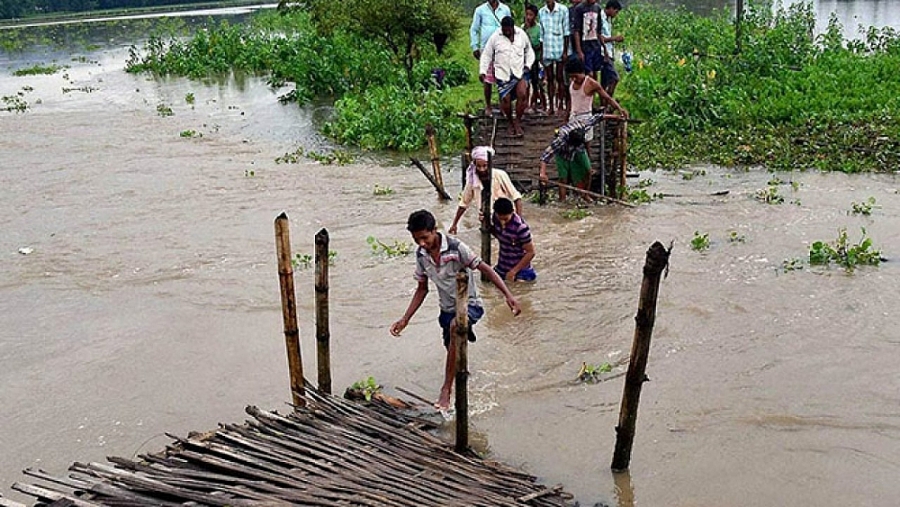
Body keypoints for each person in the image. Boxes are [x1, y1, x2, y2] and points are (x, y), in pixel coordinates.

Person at [390, 210, 521, 411]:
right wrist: (405, 319)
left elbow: (485, 268)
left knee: (455, 329)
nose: (422, 243)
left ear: (434, 230)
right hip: (447, 309)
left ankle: (446, 390)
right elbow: (422, 289)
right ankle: (462, 372)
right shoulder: (421, 255)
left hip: (470, 305)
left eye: (424, 238)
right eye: (417, 240)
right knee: (452, 348)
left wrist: (508, 296)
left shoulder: (456, 248)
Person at [448, 146, 523, 235]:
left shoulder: (500, 175)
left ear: (489, 165)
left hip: (505, 217)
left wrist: (518, 221)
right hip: (486, 220)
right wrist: (454, 224)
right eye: (478, 166)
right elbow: (464, 203)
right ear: (474, 165)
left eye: (484, 166)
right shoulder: (472, 181)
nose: (482, 169)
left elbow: (516, 197)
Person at [480, 16, 535, 137]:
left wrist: (528, 65)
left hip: (519, 72)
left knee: (522, 94)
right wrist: (483, 71)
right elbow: (486, 55)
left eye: (508, 30)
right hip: (502, 74)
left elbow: (529, 51)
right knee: (506, 100)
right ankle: (510, 121)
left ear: (512, 27)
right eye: (504, 30)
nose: (507, 32)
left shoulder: (521, 35)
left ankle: (517, 122)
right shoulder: (495, 37)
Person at [565, 57, 627, 158]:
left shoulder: (591, 84)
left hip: (586, 117)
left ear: (582, 72)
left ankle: (588, 165)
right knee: (572, 145)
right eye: (571, 77)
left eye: (575, 76)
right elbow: (570, 100)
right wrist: (566, 116)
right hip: (573, 117)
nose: (574, 79)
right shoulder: (572, 83)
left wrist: (620, 109)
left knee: (586, 145)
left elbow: (607, 98)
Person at [538, 112, 607, 201]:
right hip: (563, 154)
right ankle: (562, 200)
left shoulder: (583, 125)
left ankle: (585, 195)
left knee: (588, 171)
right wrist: (542, 173)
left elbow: (598, 117)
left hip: (579, 151)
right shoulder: (561, 140)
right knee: (563, 179)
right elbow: (545, 156)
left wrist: (616, 116)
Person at [470, 0, 512, 117]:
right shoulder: (480, 10)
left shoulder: (505, 9)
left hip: (502, 48)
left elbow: (510, 27)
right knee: (487, 79)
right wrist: (475, 46)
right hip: (487, 49)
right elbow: (474, 29)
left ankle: (503, 105)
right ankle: (488, 106)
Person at [491, 197, 537, 282]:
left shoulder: (520, 227)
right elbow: (499, 235)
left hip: (520, 270)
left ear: (512, 212)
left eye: (505, 219)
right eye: (500, 218)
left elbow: (531, 252)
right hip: (502, 267)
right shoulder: (495, 218)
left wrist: (513, 271)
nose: (503, 223)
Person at [538, 0, 569, 116]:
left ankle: (560, 105)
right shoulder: (542, 12)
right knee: (550, 78)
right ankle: (551, 106)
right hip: (547, 48)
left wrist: (565, 51)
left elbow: (566, 32)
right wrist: (542, 53)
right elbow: (542, 34)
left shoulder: (563, 10)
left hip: (559, 48)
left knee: (560, 77)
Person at [572, 0, 603, 81]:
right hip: (585, 46)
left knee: (595, 71)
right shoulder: (580, 8)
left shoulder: (597, 8)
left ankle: (594, 88)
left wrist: (603, 48)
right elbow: (576, 31)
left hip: (595, 45)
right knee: (589, 73)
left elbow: (599, 30)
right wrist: (579, 50)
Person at [523, 4, 546, 113]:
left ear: (535, 16)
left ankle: (537, 103)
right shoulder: (523, 28)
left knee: (536, 83)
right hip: (526, 61)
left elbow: (539, 45)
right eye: (527, 14)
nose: (528, 17)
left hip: (536, 60)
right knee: (526, 83)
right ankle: (526, 104)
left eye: (531, 15)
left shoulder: (539, 28)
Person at [599, 0, 624, 96]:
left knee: (605, 81)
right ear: (610, 8)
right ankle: (608, 100)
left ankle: (603, 102)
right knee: (615, 78)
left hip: (608, 52)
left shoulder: (608, 19)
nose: (616, 14)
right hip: (603, 53)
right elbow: (599, 37)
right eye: (616, 12)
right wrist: (614, 38)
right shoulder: (600, 18)